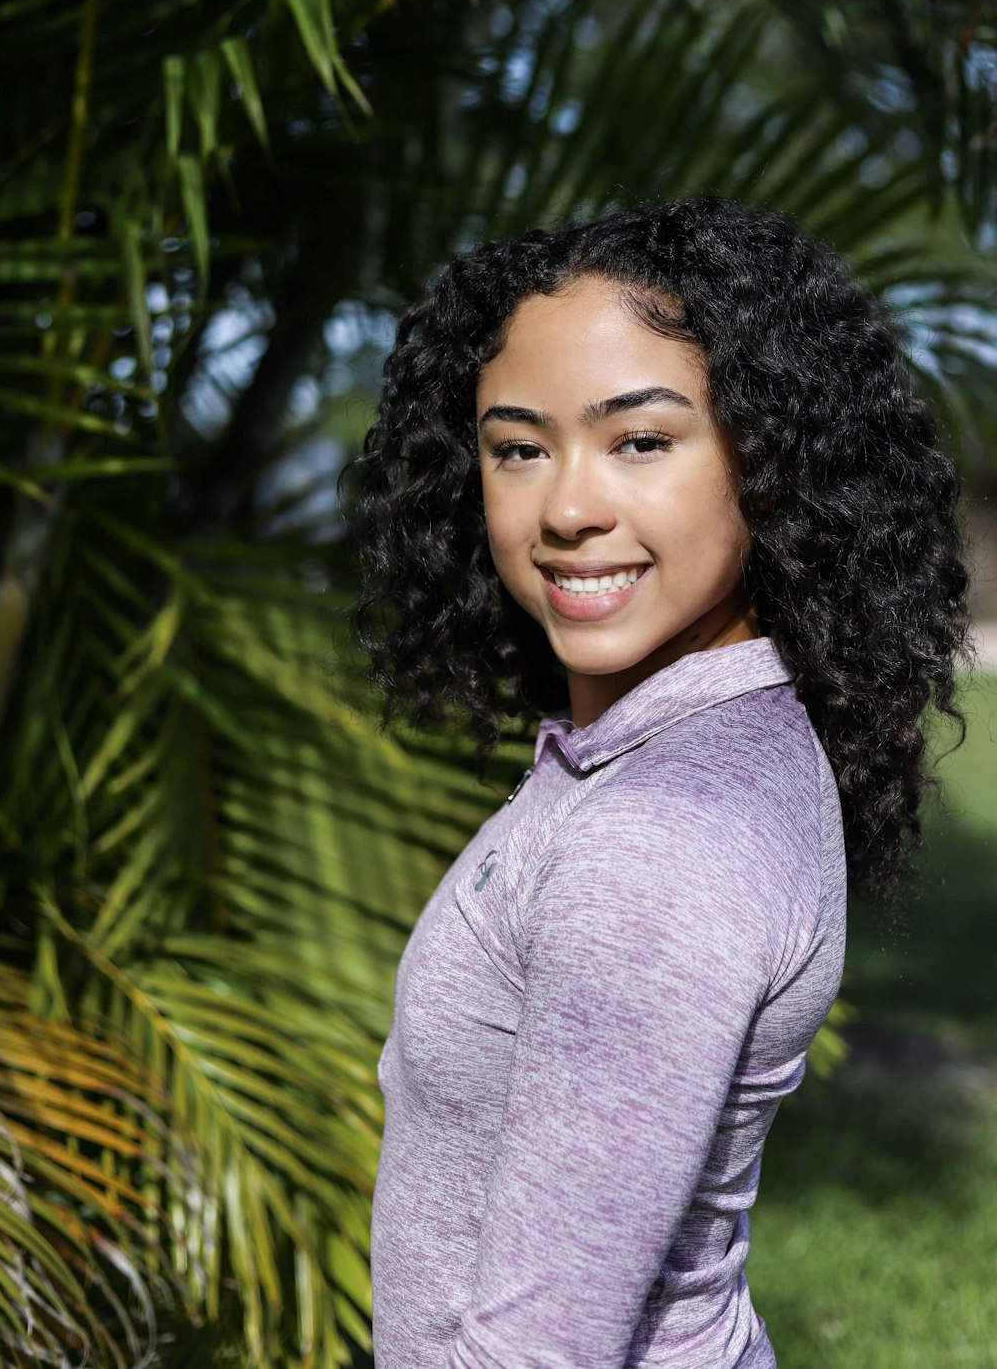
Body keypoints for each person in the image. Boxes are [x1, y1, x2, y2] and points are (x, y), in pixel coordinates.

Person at [345, 197, 973, 1368]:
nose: (569, 507)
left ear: (768, 459)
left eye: (640, 440)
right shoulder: (696, 742)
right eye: (518, 446)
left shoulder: (658, 836)